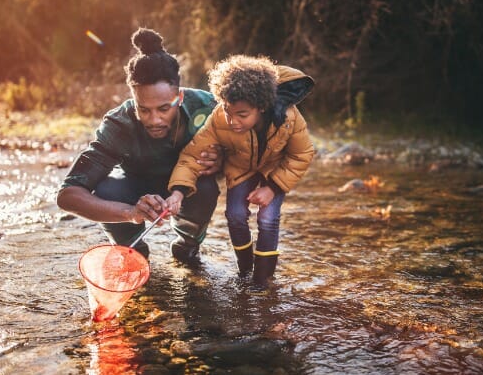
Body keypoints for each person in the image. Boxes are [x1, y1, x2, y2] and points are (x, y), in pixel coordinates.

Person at [56, 28, 222, 263]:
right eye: (143, 109)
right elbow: (67, 195)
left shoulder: (208, 108)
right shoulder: (118, 123)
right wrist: (130, 213)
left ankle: (187, 245)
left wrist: (222, 160)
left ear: (180, 97)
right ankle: (133, 253)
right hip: (134, 188)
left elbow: (251, 148)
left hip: (189, 188)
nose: (154, 120)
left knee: (206, 187)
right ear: (133, 98)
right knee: (106, 190)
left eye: (164, 108)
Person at [165, 55, 315, 286]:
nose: (232, 120)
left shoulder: (288, 118)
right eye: (227, 110)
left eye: (242, 115)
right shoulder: (219, 119)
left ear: (262, 107)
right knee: (234, 215)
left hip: (274, 170)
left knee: (268, 217)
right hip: (240, 168)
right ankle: (245, 271)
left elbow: (302, 154)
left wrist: (272, 187)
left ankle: (262, 280)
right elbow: (193, 155)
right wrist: (178, 191)